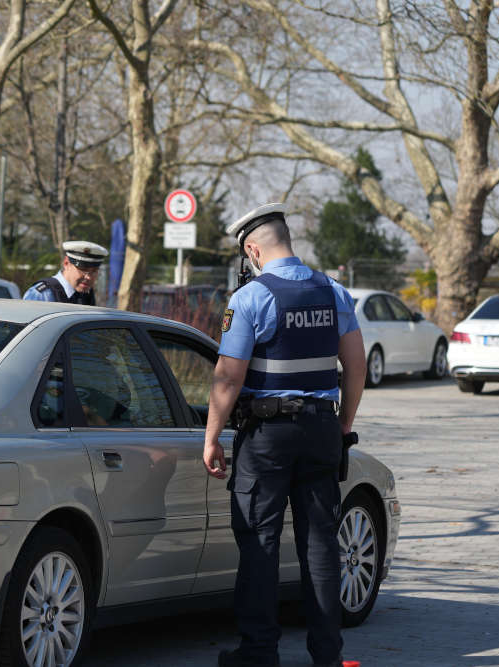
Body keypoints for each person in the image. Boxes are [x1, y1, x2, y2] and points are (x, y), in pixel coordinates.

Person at [203, 203, 367, 667]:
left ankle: (258, 654)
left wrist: (212, 436)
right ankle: (327, 656)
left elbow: (227, 378)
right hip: (321, 428)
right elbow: (355, 368)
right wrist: (343, 425)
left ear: (252, 249)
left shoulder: (252, 298)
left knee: (260, 542)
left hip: (267, 434)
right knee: (320, 544)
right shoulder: (333, 291)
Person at [23, 240, 108, 304]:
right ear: (66, 263)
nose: (88, 277)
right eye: (83, 270)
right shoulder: (42, 295)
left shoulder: (86, 293)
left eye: (94, 271)